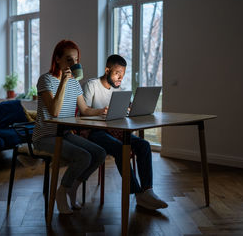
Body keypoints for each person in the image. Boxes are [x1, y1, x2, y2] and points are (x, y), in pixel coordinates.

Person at [83, 54, 168, 210]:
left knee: (144, 145)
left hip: (114, 131)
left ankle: (147, 191)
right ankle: (137, 193)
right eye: (117, 74)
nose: (120, 78)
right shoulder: (91, 85)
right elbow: (84, 111)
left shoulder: (118, 90)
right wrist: (101, 111)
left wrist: (129, 110)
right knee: (120, 148)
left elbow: (117, 114)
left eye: (122, 75)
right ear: (107, 70)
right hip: (95, 132)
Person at [32, 40, 107, 214]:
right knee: (83, 156)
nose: (73, 64)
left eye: (76, 60)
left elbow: (85, 110)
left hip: (64, 134)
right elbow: (55, 111)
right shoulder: (45, 80)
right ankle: (61, 192)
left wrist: (102, 111)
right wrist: (64, 82)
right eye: (68, 60)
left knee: (99, 153)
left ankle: (73, 187)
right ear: (57, 59)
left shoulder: (75, 83)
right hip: (44, 137)